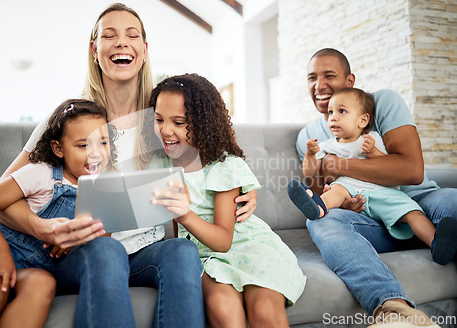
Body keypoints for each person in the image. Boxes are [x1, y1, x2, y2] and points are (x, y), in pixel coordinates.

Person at [0, 3, 255, 327]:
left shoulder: (161, 122)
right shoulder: (70, 121)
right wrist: (43, 228)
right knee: (106, 250)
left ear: (144, 50)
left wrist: (242, 191)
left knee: (180, 252)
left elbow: (214, 160)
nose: (121, 42)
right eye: (109, 35)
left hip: (144, 252)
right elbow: (0, 201)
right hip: (84, 254)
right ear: (94, 50)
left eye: (132, 35)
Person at [293, 48, 456, 327]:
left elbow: (411, 172)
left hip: (418, 201)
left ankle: (437, 239)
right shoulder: (308, 136)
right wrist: (341, 199)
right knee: (321, 220)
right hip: (368, 219)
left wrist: (339, 166)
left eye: (328, 75)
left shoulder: (383, 102)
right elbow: (319, 192)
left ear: (350, 79)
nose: (318, 86)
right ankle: (395, 312)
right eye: (311, 78)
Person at [0, 100, 132, 327]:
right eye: (83, 146)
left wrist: (77, 237)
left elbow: (101, 240)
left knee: (42, 285)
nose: (96, 154)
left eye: (103, 142)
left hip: (37, 270)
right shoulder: (42, 173)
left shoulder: (105, 190)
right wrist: (0, 253)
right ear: (58, 148)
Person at [149, 74, 306, 328]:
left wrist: (185, 214)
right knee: (223, 310)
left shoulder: (223, 166)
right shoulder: (159, 165)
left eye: (178, 122)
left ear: (204, 123)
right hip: (204, 259)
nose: (166, 130)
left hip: (248, 247)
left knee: (264, 311)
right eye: (158, 120)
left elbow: (223, 241)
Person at [288, 87, 457, 265]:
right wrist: (310, 154)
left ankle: (436, 243)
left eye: (341, 111)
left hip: (381, 190)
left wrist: (374, 152)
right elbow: (311, 173)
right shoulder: (327, 145)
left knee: (413, 213)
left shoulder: (372, 138)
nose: (333, 117)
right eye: (330, 112)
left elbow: (387, 164)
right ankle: (318, 207)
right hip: (349, 188)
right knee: (336, 191)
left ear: (363, 120)